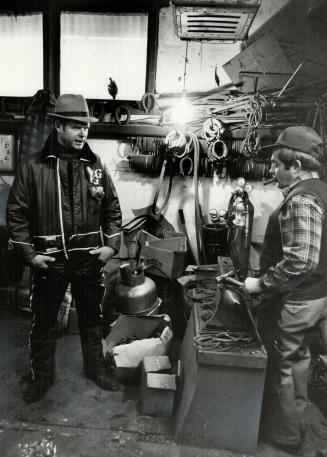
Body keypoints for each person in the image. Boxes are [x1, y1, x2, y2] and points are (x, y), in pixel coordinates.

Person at [6, 94, 122, 403]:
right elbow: (16, 214)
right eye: (75, 126)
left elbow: (112, 208)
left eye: (85, 126)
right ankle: (41, 377)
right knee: (43, 322)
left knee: (92, 319)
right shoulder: (32, 167)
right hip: (50, 263)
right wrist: (29, 255)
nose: (83, 132)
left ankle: (95, 369)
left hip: (88, 260)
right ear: (58, 126)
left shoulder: (95, 165)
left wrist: (111, 246)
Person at [243, 125, 327, 456]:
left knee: (284, 366)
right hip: (317, 297)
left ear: (296, 166)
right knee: (299, 360)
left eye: (277, 164)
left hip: (298, 300)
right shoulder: (322, 190)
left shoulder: (301, 199)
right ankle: (296, 419)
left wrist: (260, 283)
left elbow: (302, 260)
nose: (272, 170)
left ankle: (286, 436)